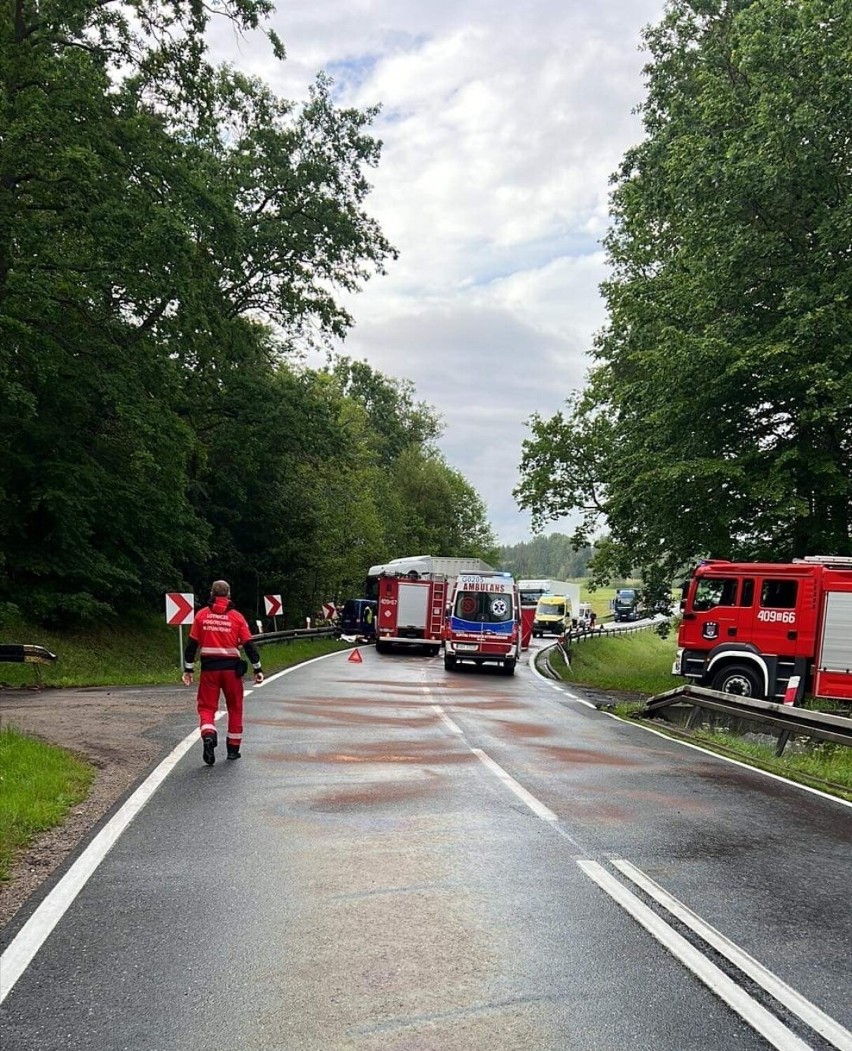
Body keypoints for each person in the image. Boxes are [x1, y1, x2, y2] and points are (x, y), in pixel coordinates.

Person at [181, 580, 263, 765]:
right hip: (231, 672)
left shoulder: (202, 616)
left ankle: (209, 734)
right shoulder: (237, 617)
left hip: (210, 670)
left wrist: (188, 669)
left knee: (206, 707)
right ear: (229, 595)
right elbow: (249, 645)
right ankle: (233, 749)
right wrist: (258, 668)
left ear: (211, 594)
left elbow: (192, 644)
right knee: (235, 707)